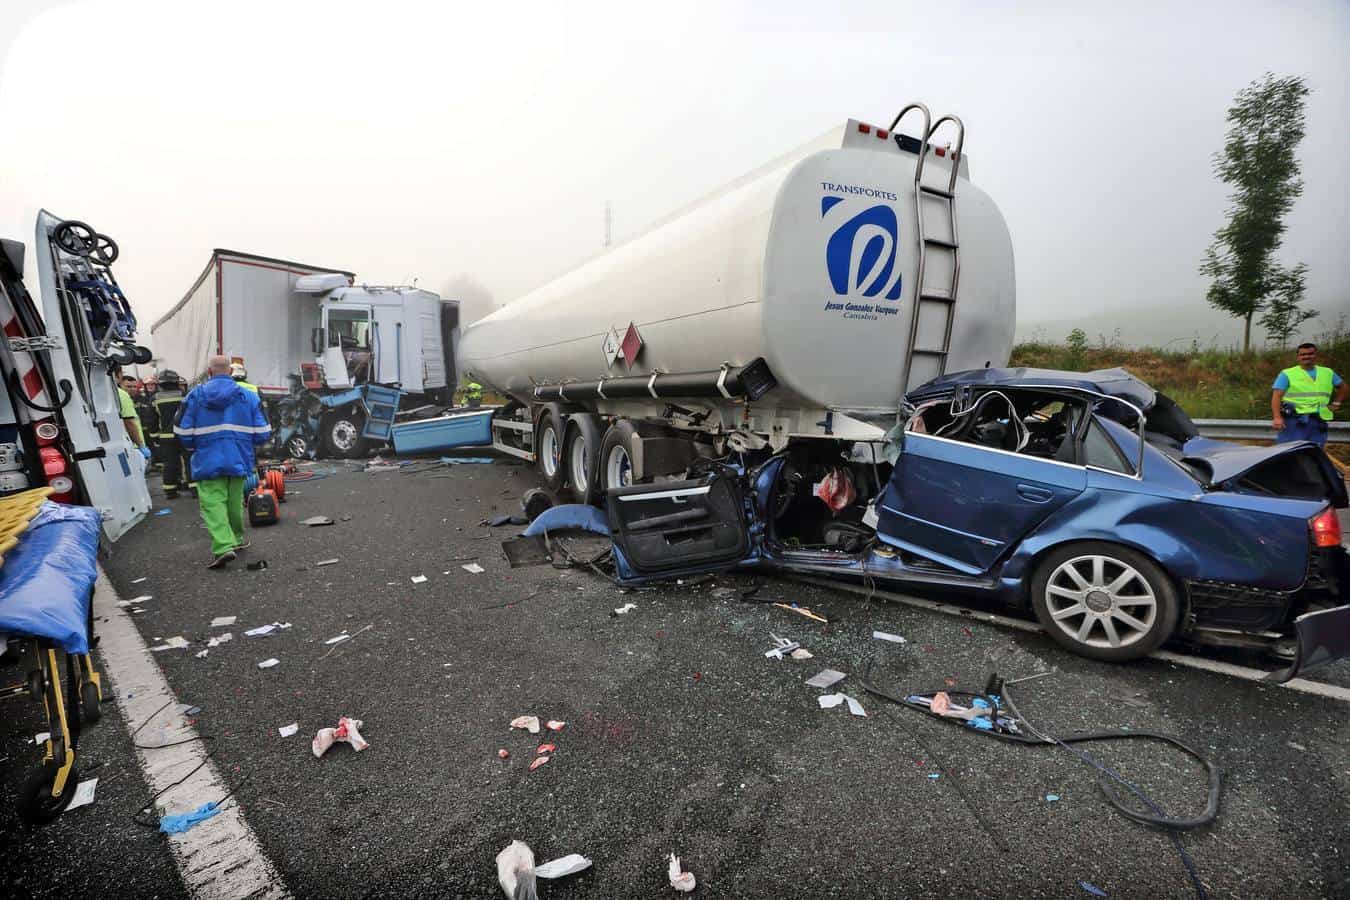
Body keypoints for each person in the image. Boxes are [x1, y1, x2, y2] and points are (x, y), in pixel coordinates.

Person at [175, 355, 272, 568]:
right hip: (238, 456)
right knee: (234, 500)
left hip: (207, 458)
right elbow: (264, 432)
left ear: (209, 373)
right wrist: (248, 444)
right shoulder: (249, 397)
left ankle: (222, 547)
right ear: (230, 373)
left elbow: (182, 430)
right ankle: (236, 539)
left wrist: (194, 446)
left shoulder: (194, 396)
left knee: (212, 503)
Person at [1271, 342, 1348, 446]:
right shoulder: (1287, 374)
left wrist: (1336, 403)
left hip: (1318, 420)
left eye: (1310, 353)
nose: (1307, 356)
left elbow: (1344, 388)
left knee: (1314, 453)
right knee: (1289, 452)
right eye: (1303, 354)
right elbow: (1277, 396)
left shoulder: (1328, 372)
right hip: (1295, 421)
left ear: (1316, 355)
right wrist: (1277, 417)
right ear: (1297, 357)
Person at [113, 367, 149, 457]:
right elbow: (129, 422)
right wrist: (141, 446)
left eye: (134, 387)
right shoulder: (122, 395)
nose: (132, 389)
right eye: (129, 386)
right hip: (133, 447)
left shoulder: (138, 398)